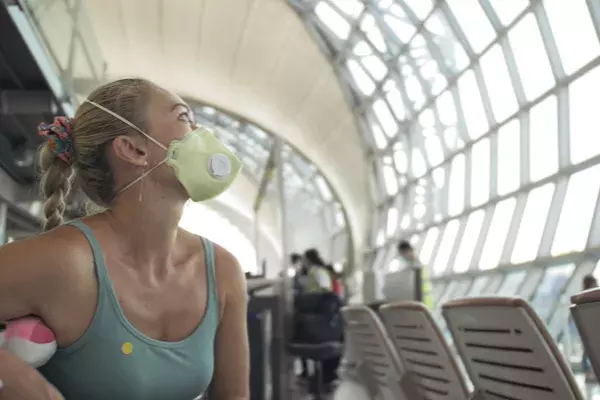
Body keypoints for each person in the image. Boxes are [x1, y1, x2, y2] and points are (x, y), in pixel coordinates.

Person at [0, 78, 249, 399]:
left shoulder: (223, 271)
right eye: (184, 117)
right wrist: (14, 377)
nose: (201, 132)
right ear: (133, 149)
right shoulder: (66, 262)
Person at [381, 240, 432, 307]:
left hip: (424, 302)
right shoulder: (411, 266)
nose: (402, 256)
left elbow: (419, 287)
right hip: (421, 302)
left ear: (409, 250)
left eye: (403, 253)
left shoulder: (417, 267)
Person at [582, 274, 598, 381]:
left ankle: (589, 373)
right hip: (591, 328)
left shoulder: (581, 298)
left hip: (589, 328)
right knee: (588, 352)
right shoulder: (588, 298)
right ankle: (589, 372)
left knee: (587, 351)